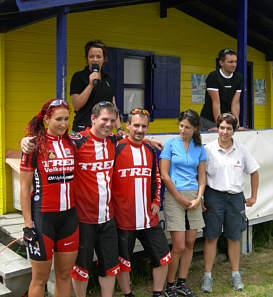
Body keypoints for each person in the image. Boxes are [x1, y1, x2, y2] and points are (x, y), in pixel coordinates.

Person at [21, 102, 163, 297]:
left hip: (108, 218)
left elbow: (133, 138)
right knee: (80, 270)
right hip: (80, 218)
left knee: (109, 266)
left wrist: (149, 140)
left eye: (112, 121)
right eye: (104, 119)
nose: (109, 124)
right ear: (93, 119)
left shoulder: (114, 141)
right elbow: (48, 142)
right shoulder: (75, 142)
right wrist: (25, 142)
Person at [20, 99, 79, 297]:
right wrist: (28, 224)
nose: (63, 124)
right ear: (46, 119)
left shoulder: (71, 143)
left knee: (64, 275)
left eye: (66, 119)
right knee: (39, 279)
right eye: (58, 119)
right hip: (42, 219)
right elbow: (24, 187)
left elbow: (102, 134)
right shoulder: (33, 145)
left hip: (69, 218)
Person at [111, 108, 171, 297]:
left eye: (143, 126)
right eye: (136, 125)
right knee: (123, 262)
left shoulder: (150, 150)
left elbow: (157, 178)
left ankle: (157, 293)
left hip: (148, 218)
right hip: (123, 219)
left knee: (163, 257)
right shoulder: (116, 148)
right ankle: (128, 294)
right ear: (127, 125)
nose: (139, 129)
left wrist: (156, 200)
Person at [200, 113, 259, 293]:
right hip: (213, 197)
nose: (225, 132)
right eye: (222, 128)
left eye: (229, 128)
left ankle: (235, 274)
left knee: (234, 237)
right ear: (217, 128)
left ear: (234, 130)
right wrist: (201, 198)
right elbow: (200, 175)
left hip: (235, 198)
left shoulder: (241, 150)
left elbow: (254, 171)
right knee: (211, 236)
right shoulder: (208, 149)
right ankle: (207, 276)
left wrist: (254, 196)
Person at [160, 110, 206, 297]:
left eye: (187, 127)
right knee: (178, 245)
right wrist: (179, 198)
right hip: (174, 196)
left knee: (189, 243)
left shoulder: (199, 147)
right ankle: (169, 285)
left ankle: (182, 282)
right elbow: (164, 174)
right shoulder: (170, 144)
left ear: (195, 129)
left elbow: (202, 176)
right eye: (181, 125)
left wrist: (199, 198)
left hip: (194, 197)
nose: (182, 130)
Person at [70, 40, 124, 134]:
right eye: (91, 56)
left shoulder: (107, 78)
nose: (95, 59)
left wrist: (119, 128)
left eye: (99, 56)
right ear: (87, 58)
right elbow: (77, 106)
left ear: (104, 59)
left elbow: (112, 104)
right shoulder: (78, 77)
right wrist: (90, 85)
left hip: (103, 131)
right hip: (83, 130)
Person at [200, 48, 242, 130]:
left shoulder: (238, 78)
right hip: (209, 120)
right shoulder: (213, 76)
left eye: (235, 62)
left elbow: (235, 103)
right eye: (230, 62)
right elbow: (216, 103)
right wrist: (219, 126)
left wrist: (236, 124)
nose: (234, 65)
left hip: (226, 120)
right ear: (221, 63)